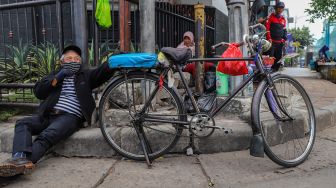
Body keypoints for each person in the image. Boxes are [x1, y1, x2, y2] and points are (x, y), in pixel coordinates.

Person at [0, 45, 115, 177]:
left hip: (70, 117)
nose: (73, 61)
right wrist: (59, 76)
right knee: (22, 123)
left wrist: (116, 58)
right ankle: (18, 158)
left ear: (80, 62)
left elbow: (103, 71)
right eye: (69, 58)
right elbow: (39, 92)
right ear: (62, 62)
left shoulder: (86, 76)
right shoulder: (54, 76)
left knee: (46, 136)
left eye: (76, 59)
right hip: (47, 115)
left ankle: (18, 165)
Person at [265, 1, 287, 71]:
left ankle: (275, 74)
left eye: (282, 8)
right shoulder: (271, 17)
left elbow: (284, 30)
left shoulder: (283, 19)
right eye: (279, 8)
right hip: (272, 42)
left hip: (279, 43)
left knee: (278, 59)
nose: (280, 10)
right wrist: (269, 38)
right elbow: (267, 29)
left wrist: (284, 39)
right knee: (271, 58)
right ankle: (268, 74)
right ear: (276, 8)